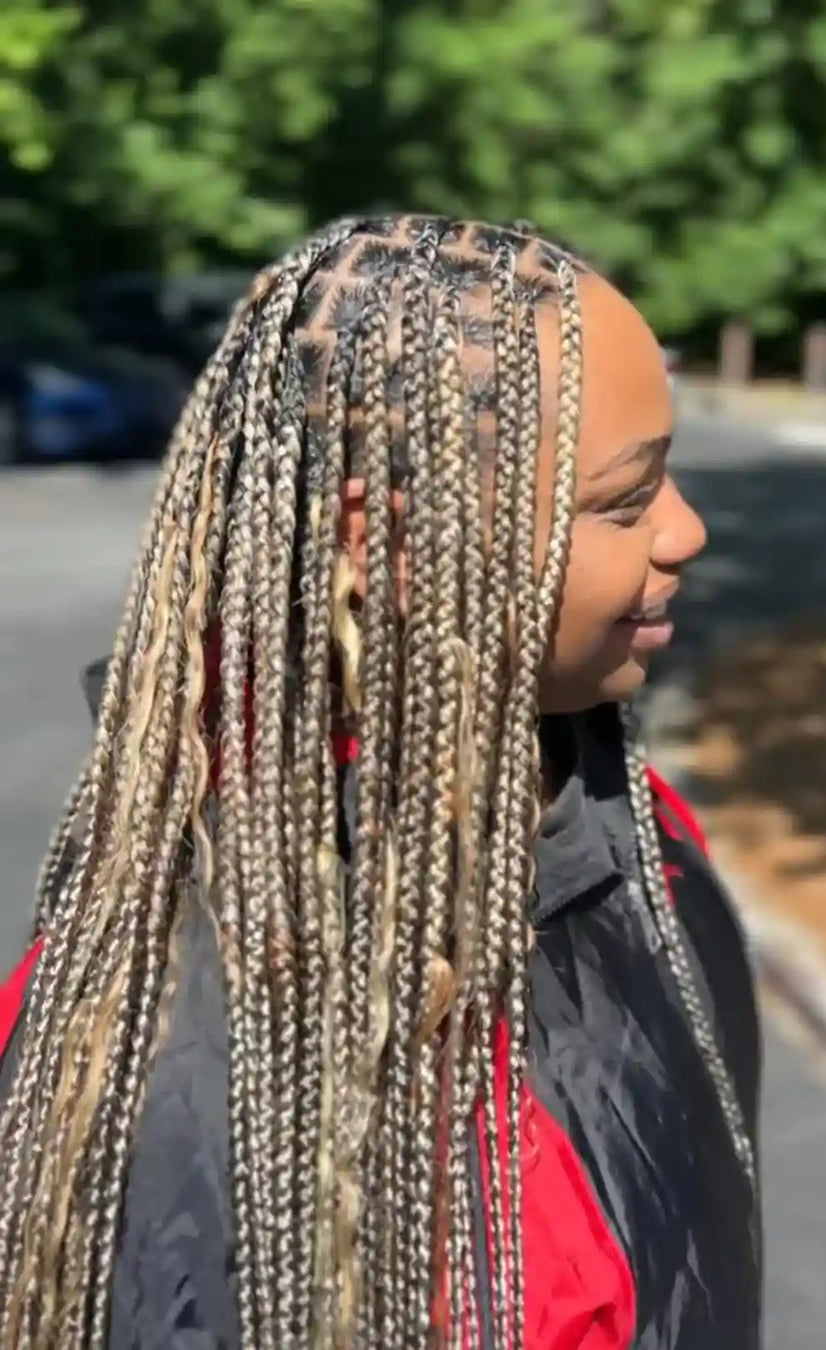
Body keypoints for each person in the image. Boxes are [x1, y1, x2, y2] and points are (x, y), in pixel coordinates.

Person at [0, 215, 761, 1350]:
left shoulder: (628, 820)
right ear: (387, 544)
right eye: (621, 501)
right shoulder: (158, 1069)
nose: (686, 531)